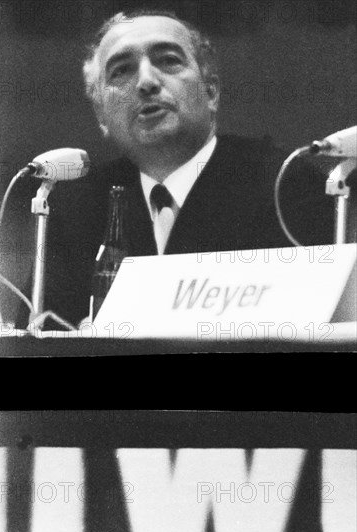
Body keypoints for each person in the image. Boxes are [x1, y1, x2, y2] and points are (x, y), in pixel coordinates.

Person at [21, 9, 337, 328]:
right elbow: (38, 336)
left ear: (211, 91)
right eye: (121, 71)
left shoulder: (286, 186)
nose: (146, 82)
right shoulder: (75, 209)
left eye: (168, 61)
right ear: (102, 115)